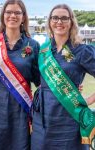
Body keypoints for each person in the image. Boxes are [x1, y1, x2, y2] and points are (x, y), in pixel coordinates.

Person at [31, 4, 95, 150]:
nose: (59, 22)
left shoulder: (82, 50)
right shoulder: (44, 50)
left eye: (64, 18)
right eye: (55, 18)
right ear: (49, 22)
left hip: (69, 118)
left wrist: (89, 99)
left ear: (71, 22)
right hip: (42, 118)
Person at [0, 0, 40, 150]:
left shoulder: (33, 45)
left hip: (21, 108)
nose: (12, 16)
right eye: (8, 12)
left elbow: (40, 79)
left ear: (23, 17)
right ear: (3, 16)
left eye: (17, 12)